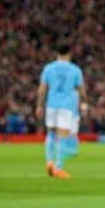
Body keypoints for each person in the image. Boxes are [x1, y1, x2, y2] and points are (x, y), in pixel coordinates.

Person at [36, 43, 86, 178]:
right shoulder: (75, 70)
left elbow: (42, 89)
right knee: (62, 137)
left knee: (50, 135)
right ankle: (58, 168)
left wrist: (39, 106)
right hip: (66, 106)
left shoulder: (48, 68)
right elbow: (81, 89)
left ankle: (49, 162)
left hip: (51, 104)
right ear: (69, 53)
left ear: (57, 53)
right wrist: (84, 102)